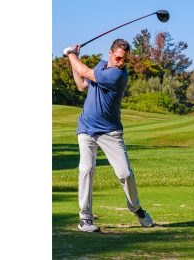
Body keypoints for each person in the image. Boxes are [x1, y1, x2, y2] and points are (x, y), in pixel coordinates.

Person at [64, 39, 153, 232]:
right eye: (120, 58)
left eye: (126, 60)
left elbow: (83, 72)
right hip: (86, 128)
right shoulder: (100, 66)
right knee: (86, 170)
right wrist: (74, 59)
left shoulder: (118, 75)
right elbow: (81, 84)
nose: (122, 62)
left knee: (125, 174)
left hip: (110, 131)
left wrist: (71, 55)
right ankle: (85, 219)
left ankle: (136, 208)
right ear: (111, 53)